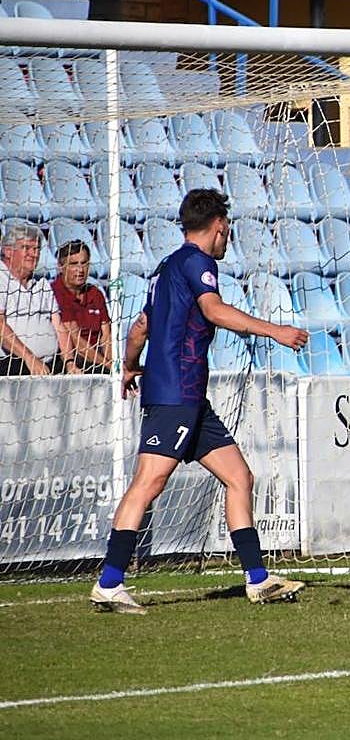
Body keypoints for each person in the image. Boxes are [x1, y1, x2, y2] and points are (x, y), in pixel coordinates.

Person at [89, 190, 310, 614]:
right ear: (219, 226)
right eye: (228, 229)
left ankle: (258, 580)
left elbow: (140, 327)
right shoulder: (198, 263)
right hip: (177, 393)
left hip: (188, 397)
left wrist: (131, 366)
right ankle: (110, 582)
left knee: (239, 476)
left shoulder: (165, 268)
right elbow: (214, 311)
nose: (228, 238)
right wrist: (276, 331)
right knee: (148, 482)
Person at [0, 219, 72, 376]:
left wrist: (70, 362)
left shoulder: (42, 284)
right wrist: (29, 358)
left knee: (93, 371)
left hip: (51, 363)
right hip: (14, 364)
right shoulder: (2, 280)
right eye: (27, 248)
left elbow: (59, 326)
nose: (34, 254)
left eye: (37, 249)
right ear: (8, 251)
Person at [51, 239, 112, 375]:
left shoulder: (95, 294)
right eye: (74, 264)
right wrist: (108, 366)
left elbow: (106, 336)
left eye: (84, 263)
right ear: (61, 266)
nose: (80, 270)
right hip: (74, 359)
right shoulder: (55, 292)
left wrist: (113, 364)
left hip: (99, 359)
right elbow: (76, 341)